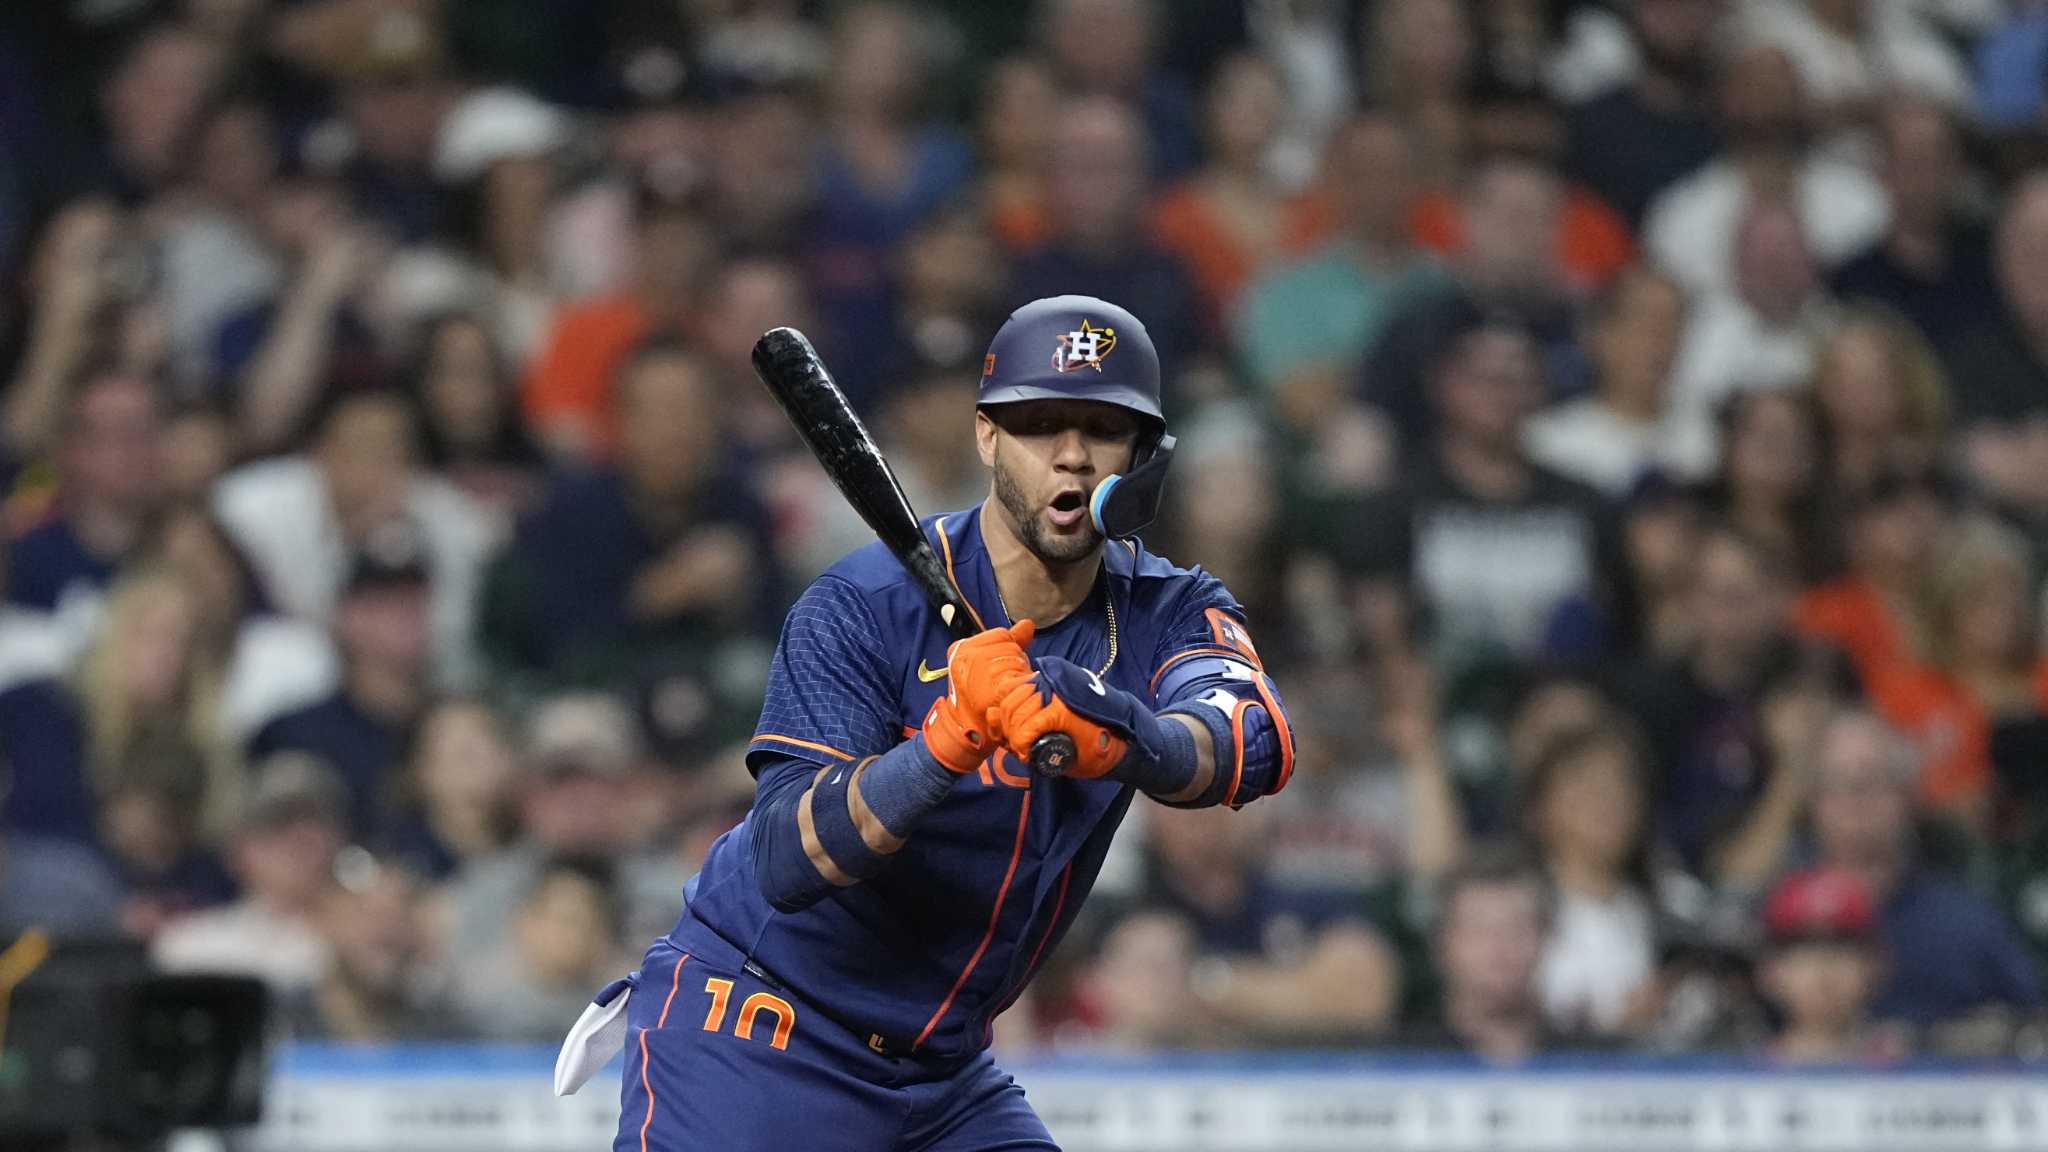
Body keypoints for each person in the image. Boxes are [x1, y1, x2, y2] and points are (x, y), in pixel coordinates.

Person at [557, 296, 1296, 1151]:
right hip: (758, 1027)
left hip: (939, 1074)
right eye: (1038, 425)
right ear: (986, 437)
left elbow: (1254, 738)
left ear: (1144, 456)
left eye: (1102, 429)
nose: (1070, 456)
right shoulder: (863, 603)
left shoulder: (1167, 606)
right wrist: (947, 742)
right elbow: (790, 860)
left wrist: (1117, 732)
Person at [1808, 710, 2043, 1033]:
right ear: (1813, 802)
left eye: (1875, 782)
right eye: (1837, 784)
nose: (1855, 802)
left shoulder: (1967, 922)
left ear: (1909, 796)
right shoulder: (1779, 915)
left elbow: (2035, 1022)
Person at [1758, 868, 1902, 1064]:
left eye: (1842, 948)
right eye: (1804, 949)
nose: (1824, 969)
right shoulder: (1733, 1071)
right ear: (1770, 969)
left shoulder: (1910, 1066)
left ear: (1874, 965)